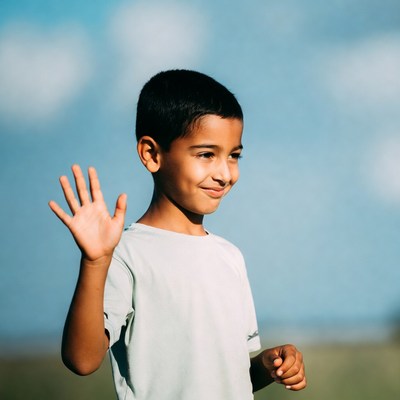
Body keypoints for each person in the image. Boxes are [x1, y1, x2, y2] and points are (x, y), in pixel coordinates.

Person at [49, 70, 306, 400]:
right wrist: (96, 261)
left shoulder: (230, 256)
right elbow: (82, 360)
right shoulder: (125, 253)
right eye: (205, 155)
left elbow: (229, 374)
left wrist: (268, 366)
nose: (225, 173)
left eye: (234, 155)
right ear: (152, 154)